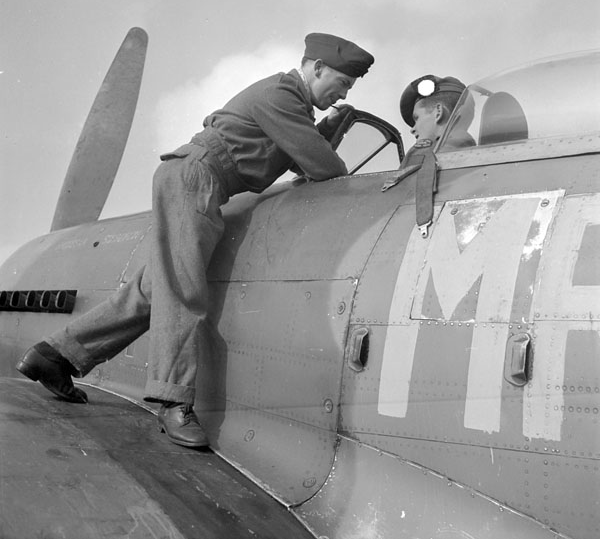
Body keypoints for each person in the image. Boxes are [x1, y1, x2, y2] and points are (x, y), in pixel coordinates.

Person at [17, 32, 374, 448]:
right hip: (197, 180)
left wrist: (324, 131)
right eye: (343, 83)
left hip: (198, 183)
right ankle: (172, 402)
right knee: (184, 292)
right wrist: (322, 139)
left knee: (152, 292)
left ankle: (54, 356)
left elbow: (301, 162)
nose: (342, 92)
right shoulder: (282, 95)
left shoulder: (290, 107)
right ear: (317, 68)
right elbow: (321, 167)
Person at [399, 74, 475, 152]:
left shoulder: (425, 157)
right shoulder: (475, 153)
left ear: (438, 112)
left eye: (417, 118)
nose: (412, 130)